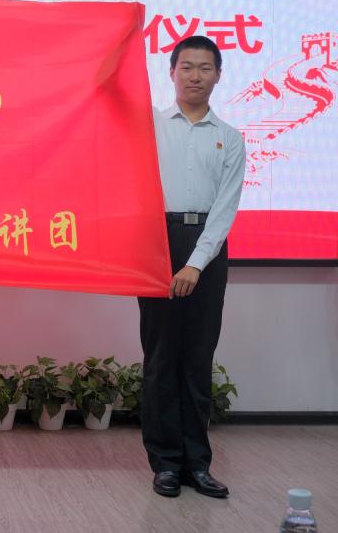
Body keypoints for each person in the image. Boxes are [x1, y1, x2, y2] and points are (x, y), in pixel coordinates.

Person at [139, 36, 245, 499]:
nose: (195, 76)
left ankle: (197, 465)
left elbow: (225, 209)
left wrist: (196, 264)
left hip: (207, 249)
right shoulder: (149, 126)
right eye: (186, 67)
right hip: (156, 244)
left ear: (218, 75)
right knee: (161, 359)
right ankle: (165, 464)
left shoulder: (230, 138)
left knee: (198, 359)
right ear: (172, 73)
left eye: (204, 68)